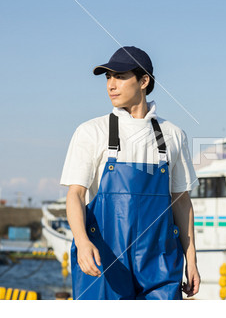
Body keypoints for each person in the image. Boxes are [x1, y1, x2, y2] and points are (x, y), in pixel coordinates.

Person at [60, 46, 200, 300]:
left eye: (120, 76)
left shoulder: (173, 135)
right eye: (108, 77)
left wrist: (191, 259)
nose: (111, 85)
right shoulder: (91, 132)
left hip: (159, 264)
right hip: (105, 261)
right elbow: (76, 195)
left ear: (144, 81)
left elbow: (182, 201)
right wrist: (82, 242)